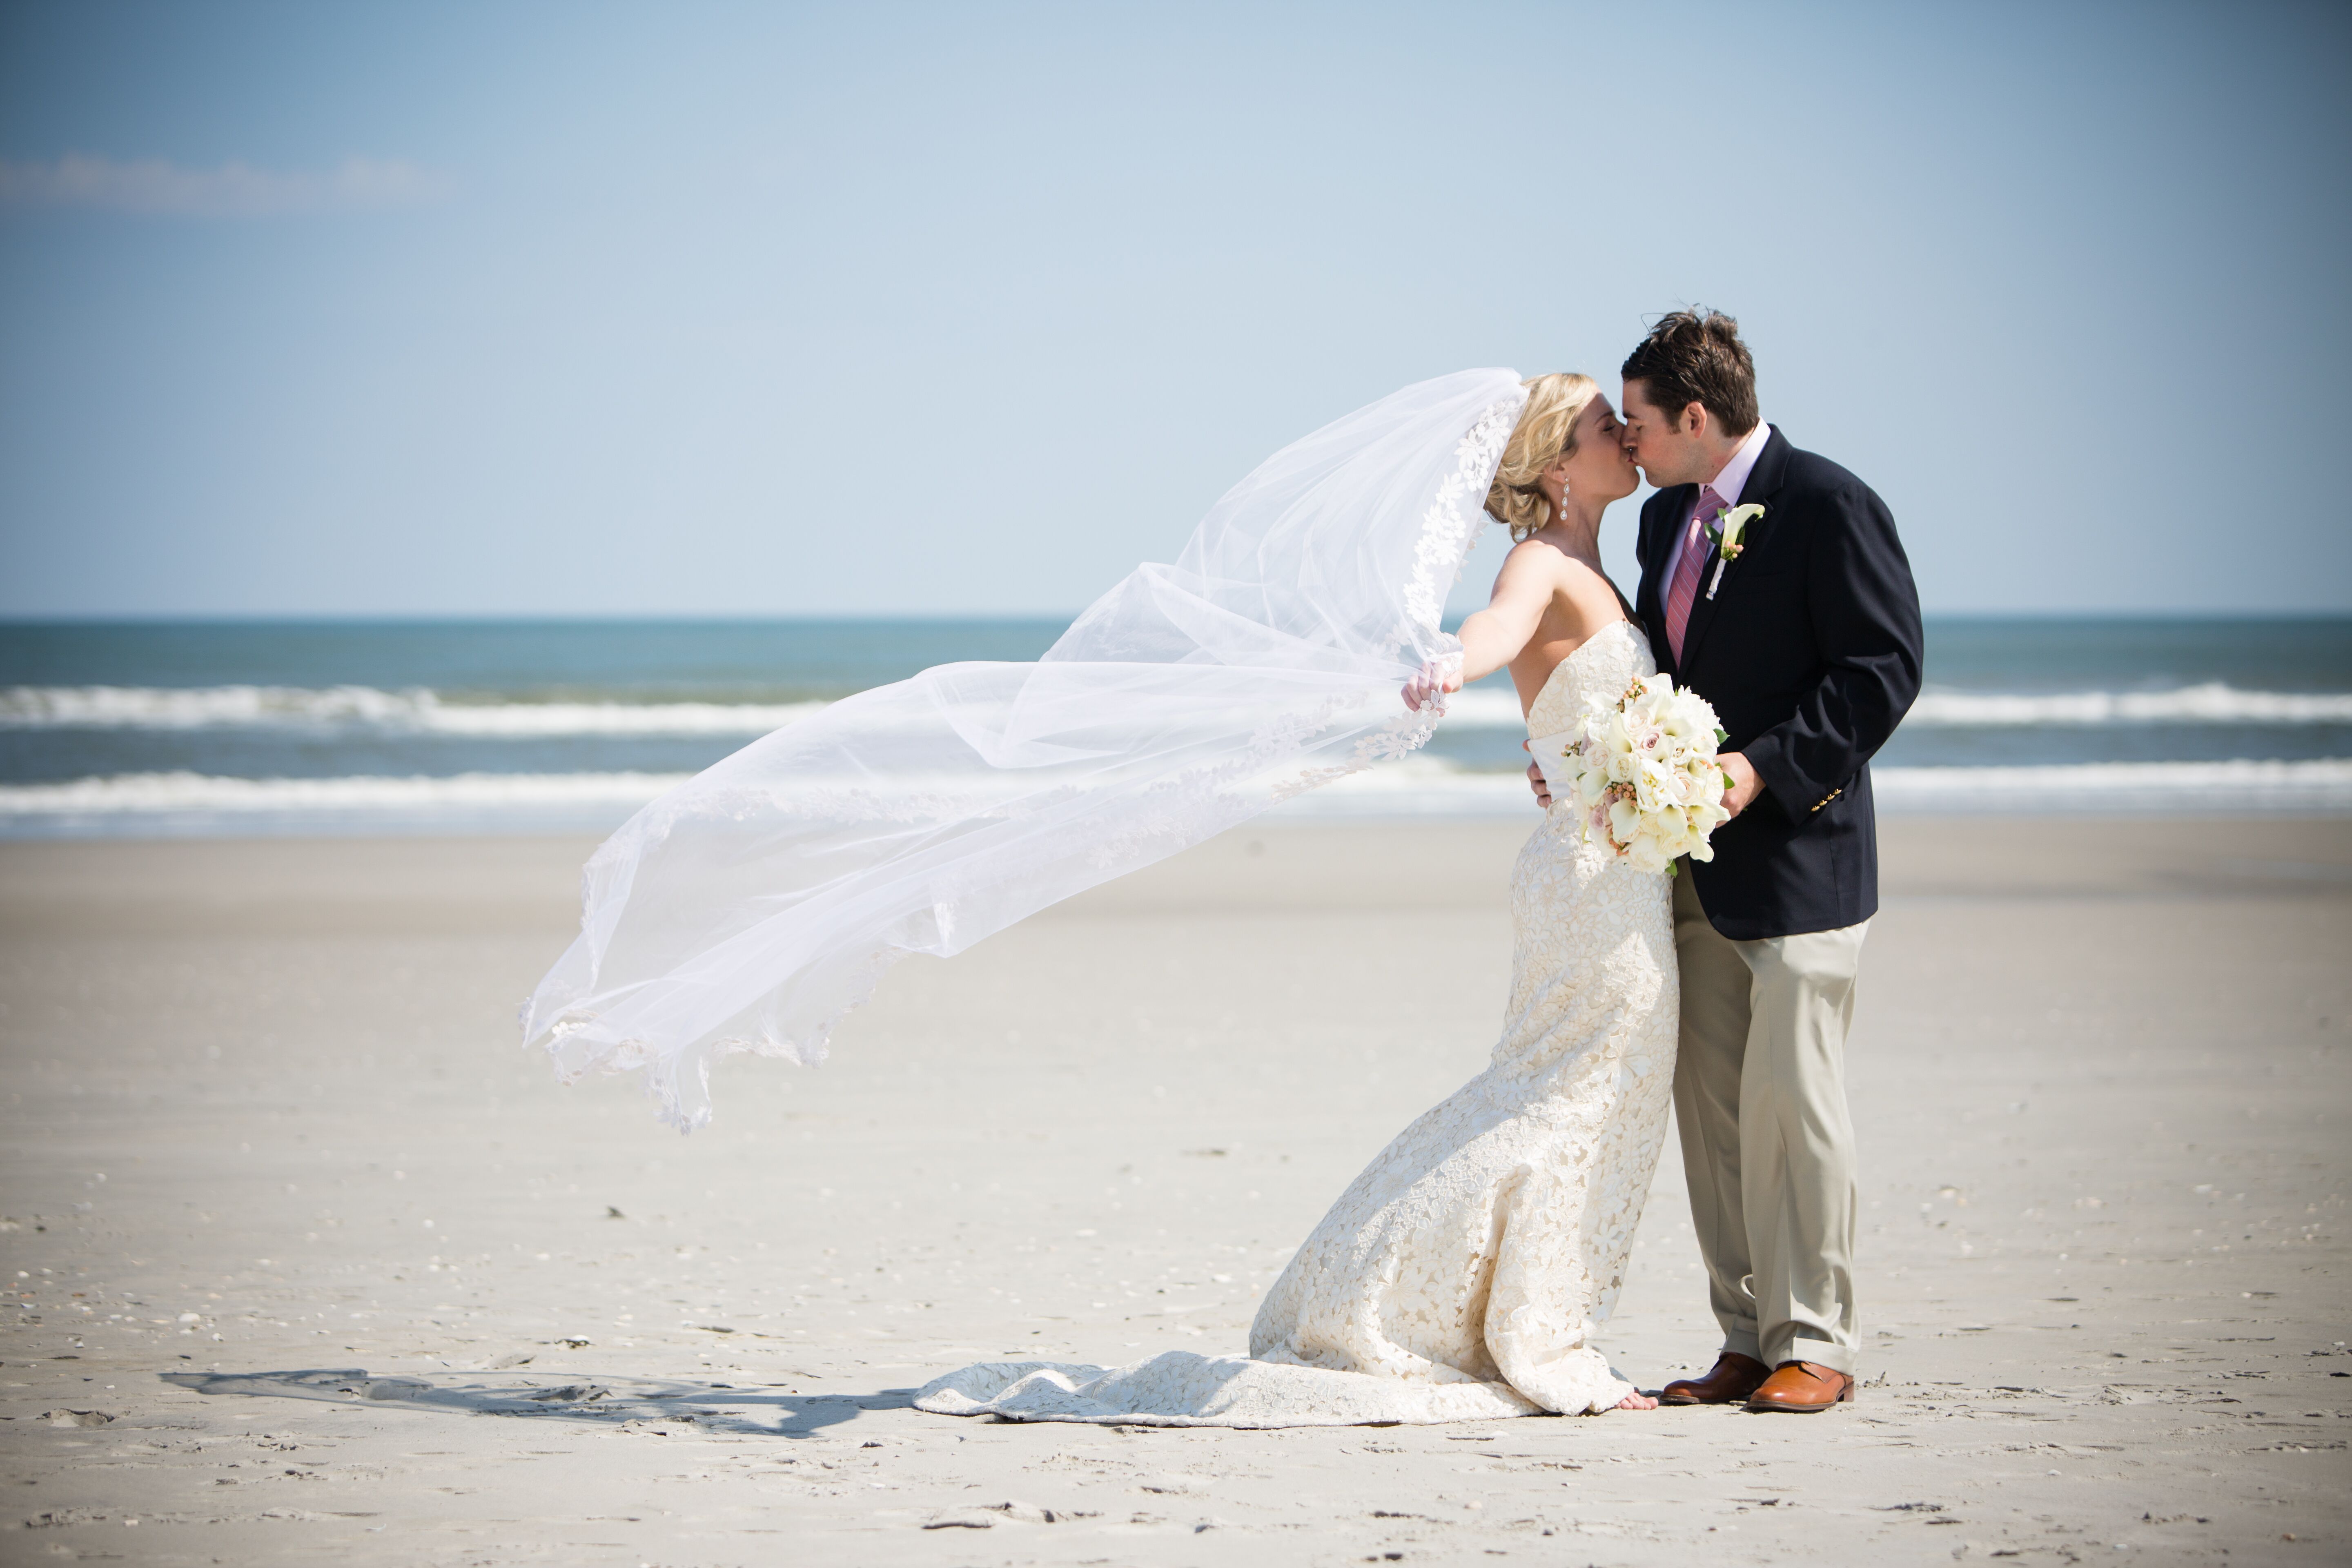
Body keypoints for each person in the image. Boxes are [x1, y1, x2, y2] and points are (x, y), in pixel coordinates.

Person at [918, 373, 1688, 1426]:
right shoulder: (1541, 562)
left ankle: (1485, 1308)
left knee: (1572, 1091)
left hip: (1610, 868)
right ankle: (1527, 1331)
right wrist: (1444, 668)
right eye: (1609, 428)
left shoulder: (1610, 562)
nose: (1630, 439)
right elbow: (1495, 632)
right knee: (1566, 1096)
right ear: (1559, 462)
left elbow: (1579, 701)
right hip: (1592, 886)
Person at [1531, 310, 1923, 1413]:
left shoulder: (1831, 504)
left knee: (1795, 1106)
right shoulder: (1662, 524)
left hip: (1804, 865)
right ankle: (1746, 1336)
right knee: (1712, 1112)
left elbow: (1879, 671)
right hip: (1688, 869)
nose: (1632, 439)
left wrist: (1761, 771)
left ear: (1696, 416)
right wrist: (1584, 755)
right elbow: (1648, 677)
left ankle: (1817, 1340)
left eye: (1643, 422)